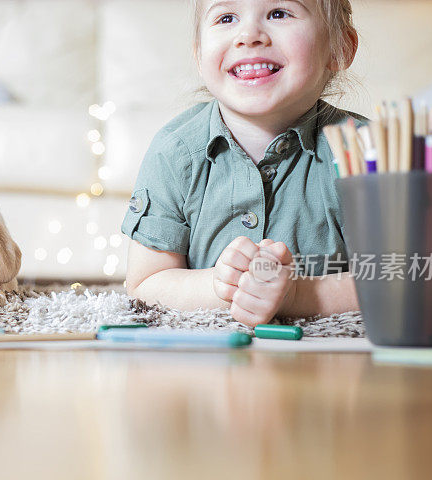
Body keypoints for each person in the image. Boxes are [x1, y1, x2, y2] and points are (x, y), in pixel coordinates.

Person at [123, 0, 363, 327]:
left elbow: (407, 280)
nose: (248, 35)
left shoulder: (363, 152)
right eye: (226, 17)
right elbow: (144, 284)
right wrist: (217, 286)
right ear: (198, 55)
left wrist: (297, 295)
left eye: (279, 13)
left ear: (339, 49)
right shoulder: (174, 151)